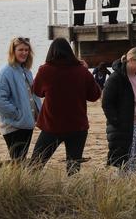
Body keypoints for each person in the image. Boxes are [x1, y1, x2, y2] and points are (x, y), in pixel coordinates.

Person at [30, 38, 101, 174]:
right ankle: (72, 193)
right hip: (77, 127)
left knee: (36, 164)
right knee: (73, 168)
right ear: (70, 52)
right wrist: (86, 71)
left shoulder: (45, 70)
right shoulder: (81, 71)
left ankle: (29, 190)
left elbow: (38, 91)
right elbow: (94, 95)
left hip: (52, 126)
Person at [102, 47, 136, 173]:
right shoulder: (116, 78)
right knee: (123, 160)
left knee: (135, 159)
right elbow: (106, 103)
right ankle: (123, 186)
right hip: (125, 125)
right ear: (130, 60)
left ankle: (131, 185)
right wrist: (116, 121)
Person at [0, 36, 41, 161]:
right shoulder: (5, 72)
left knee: (21, 160)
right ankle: (15, 181)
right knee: (17, 160)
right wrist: (17, 114)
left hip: (26, 123)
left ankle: (19, 180)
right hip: (13, 125)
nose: (24, 53)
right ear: (13, 51)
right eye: (20, 50)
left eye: (26, 50)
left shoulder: (26, 71)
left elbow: (32, 95)